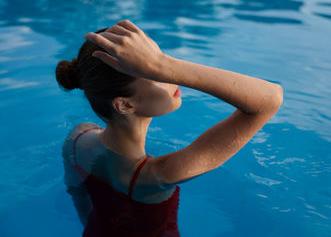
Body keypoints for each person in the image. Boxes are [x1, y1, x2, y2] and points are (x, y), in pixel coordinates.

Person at [56, 20, 283, 237]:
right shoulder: (158, 176)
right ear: (125, 104)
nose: (173, 78)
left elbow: (77, 193)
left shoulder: (78, 137)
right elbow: (270, 99)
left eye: (162, 63)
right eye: (156, 74)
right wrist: (163, 65)